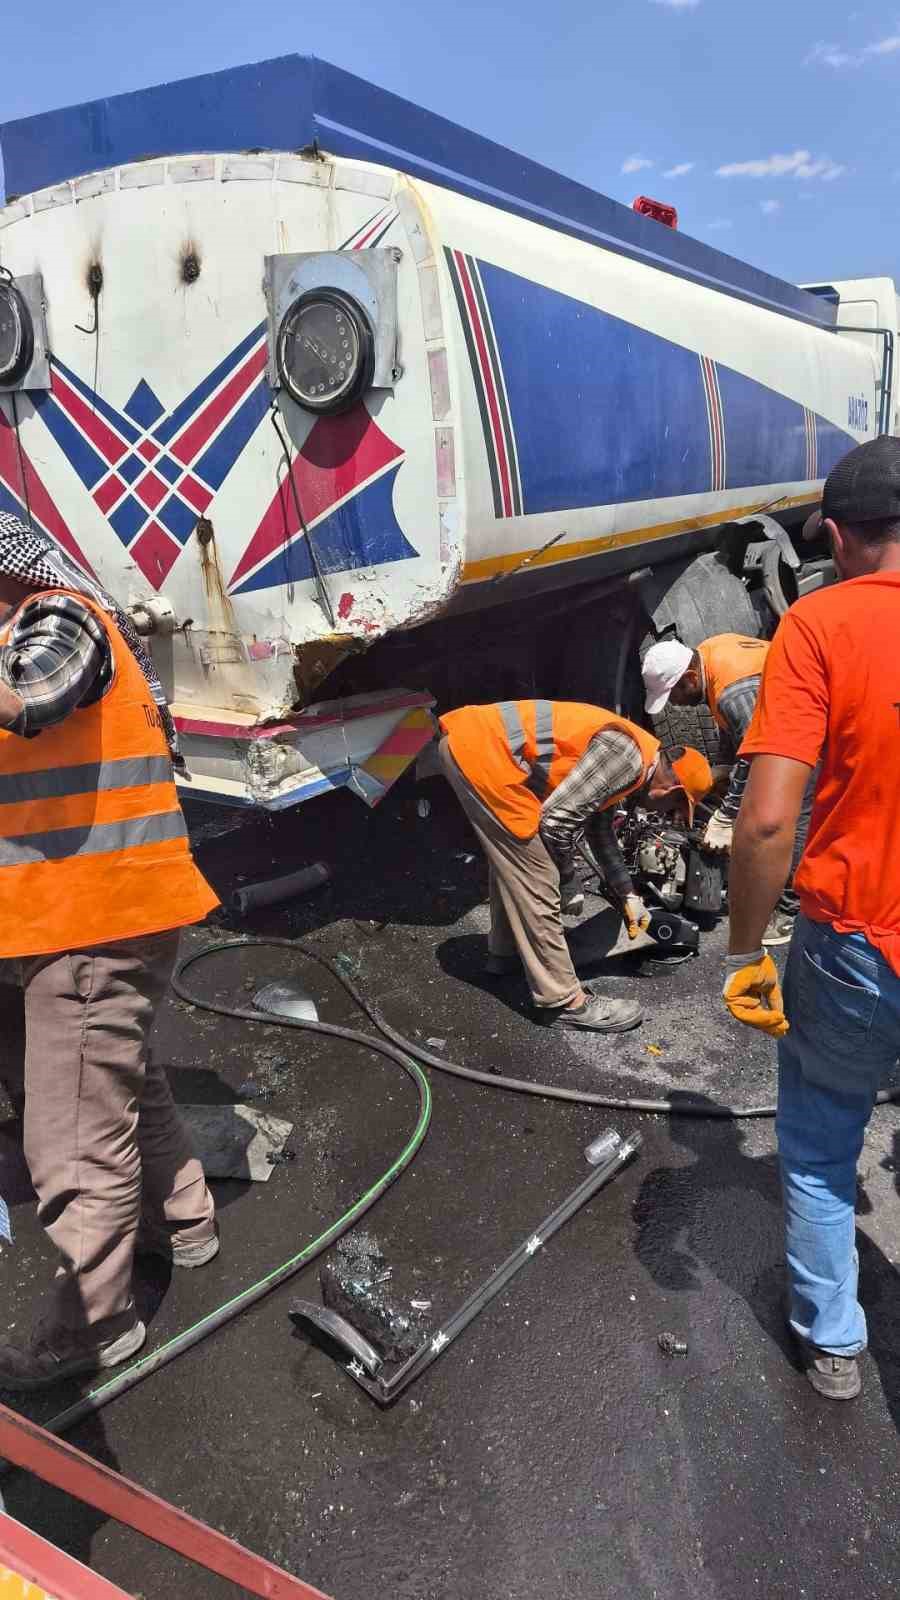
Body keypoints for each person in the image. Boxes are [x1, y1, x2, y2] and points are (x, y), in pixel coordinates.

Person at [0, 513, 219, 1391]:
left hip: (95, 918)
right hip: (61, 916)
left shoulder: (63, 618)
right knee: (115, 1083)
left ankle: (96, 1325)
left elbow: (30, 700)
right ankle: (185, 1217)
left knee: (75, 1142)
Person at [721, 435, 900, 1402]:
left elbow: (768, 818)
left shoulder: (820, 625)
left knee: (825, 1146)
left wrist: (746, 953)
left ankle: (834, 1344)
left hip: (856, 946)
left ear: (837, 536)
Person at [438, 698, 712, 1033]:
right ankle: (565, 1003)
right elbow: (555, 823)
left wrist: (629, 895)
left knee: (517, 863)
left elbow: (600, 832)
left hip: (474, 747)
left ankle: (506, 955)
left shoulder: (633, 760)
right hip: (483, 755)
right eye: (671, 807)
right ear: (672, 787)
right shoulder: (626, 757)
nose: (664, 816)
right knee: (539, 877)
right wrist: (568, 881)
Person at [642, 631, 814, 947]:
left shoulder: (733, 692)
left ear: (690, 678)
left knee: (795, 814)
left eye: (674, 696)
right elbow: (734, 727)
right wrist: (722, 769)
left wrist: (726, 816)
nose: (676, 706)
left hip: (813, 723)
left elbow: (756, 750)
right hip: (794, 714)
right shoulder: (709, 652)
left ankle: (791, 911)